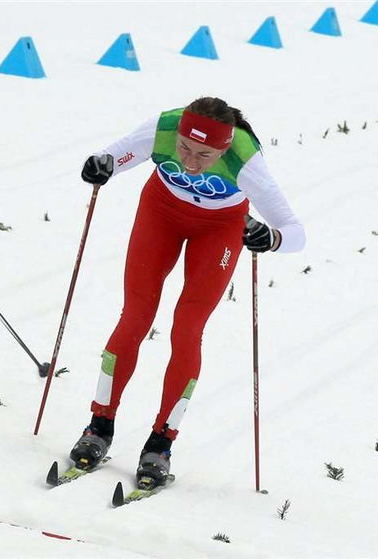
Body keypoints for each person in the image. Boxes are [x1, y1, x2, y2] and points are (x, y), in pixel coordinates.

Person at [69, 96, 305, 487]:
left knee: (187, 326)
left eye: (206, 155)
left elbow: (296, 233)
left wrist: (272, 238)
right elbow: (114, 156)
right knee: (136, 314)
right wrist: (101, 166)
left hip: (220, 228)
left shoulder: (246, 160)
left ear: (225, 148)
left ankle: (160, 444)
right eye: (184, 149)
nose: (192, 161)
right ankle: (99, 426)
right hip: (161, 211)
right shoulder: (163, 127)